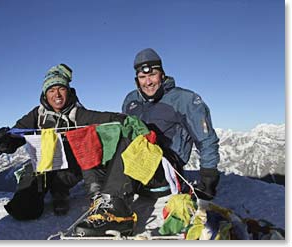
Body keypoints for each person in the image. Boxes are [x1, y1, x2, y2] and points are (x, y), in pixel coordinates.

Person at [73, 48, 220, 237]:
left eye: (153, 75)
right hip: (138, 174)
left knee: (132, 141)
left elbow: (206, 139)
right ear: (137, 79)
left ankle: (118, 216)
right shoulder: (131, 100)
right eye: (142, 77)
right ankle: (102, 200)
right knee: (93, 142)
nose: (148, 81)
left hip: (164, 171)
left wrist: (208, 179)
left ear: (162, 74)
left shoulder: (185, 100)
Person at [0, 63, 127, 220]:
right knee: (24, 210)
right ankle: (36, 197)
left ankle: (61, 192)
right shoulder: (38, 115)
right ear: (45, 94)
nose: (57, 94)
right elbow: (16, 136)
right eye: (51, 90)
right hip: (43, 167)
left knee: (86, 145)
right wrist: (4, 142)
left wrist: (120, 118)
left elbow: (100, 118)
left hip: (69, 169)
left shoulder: (77, 113)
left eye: (61, 89)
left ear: (68, 92)